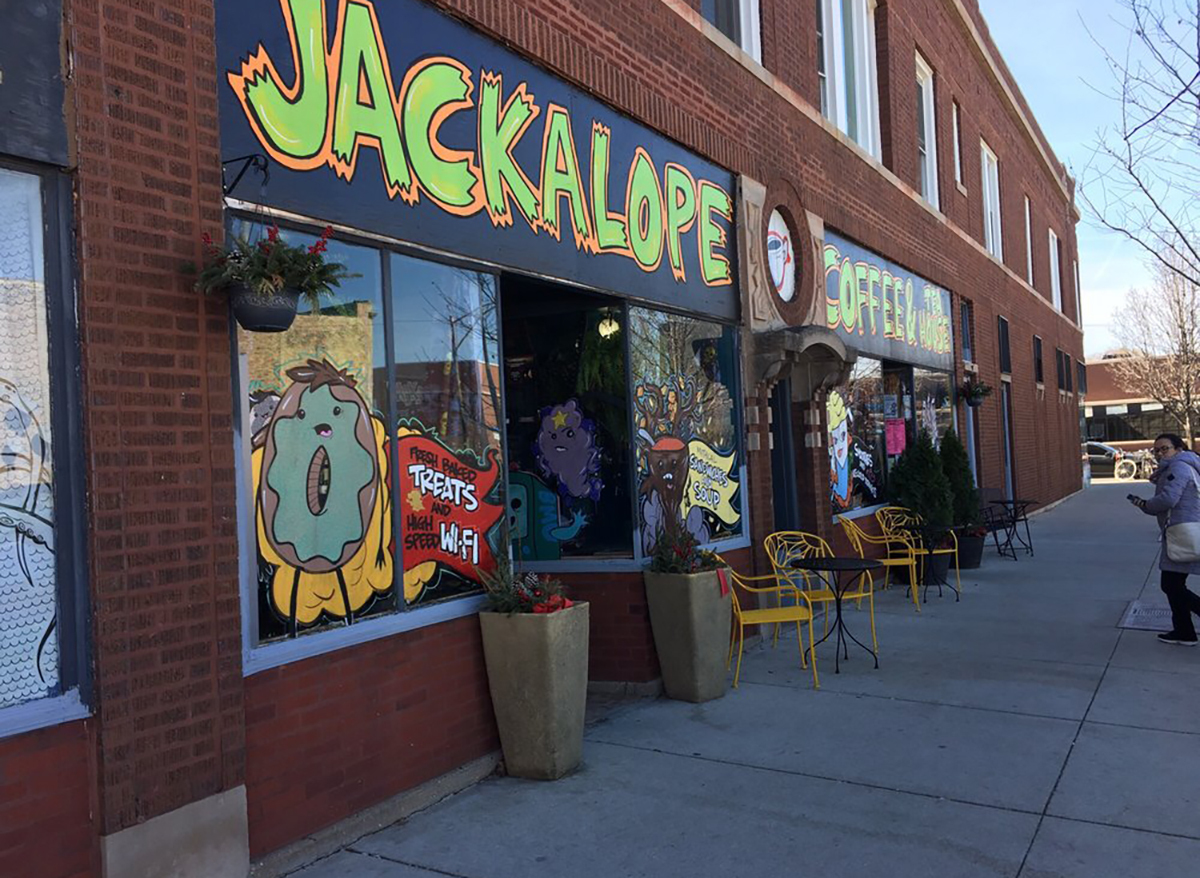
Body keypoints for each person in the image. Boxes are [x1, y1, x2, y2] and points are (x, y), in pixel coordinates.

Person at [1129, 433, 1200, 645]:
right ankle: (1184, 631)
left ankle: (1184, 630)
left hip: (1182, 532)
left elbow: (1169, 498)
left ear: (1178, 448)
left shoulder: (1179, 467)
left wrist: (1145, 505)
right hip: (1181, 531)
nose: (1160, 453)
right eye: (1156, 450)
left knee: (1171, 585)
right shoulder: (1180, 466)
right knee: (1173, 584)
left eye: (1164, 448)